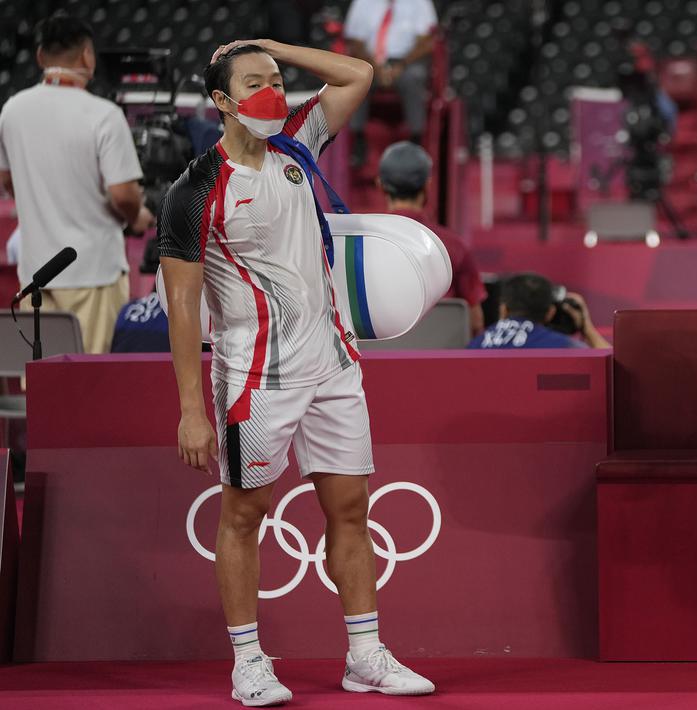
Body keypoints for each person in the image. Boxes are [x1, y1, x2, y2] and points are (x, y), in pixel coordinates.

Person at [158, 38, 434, 705]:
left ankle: (365, 657)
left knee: (351, 508)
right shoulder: (195, 190)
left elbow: (358, 74)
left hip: (333, 365)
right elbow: (183, 308)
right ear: (221, 101)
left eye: (278, 81)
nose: (273, 93)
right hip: (255, 379)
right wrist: (191, 408)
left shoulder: (296, 146)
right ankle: (249, 662)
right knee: (244, 514)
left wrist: (270, 47)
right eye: (254, 83)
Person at [0, 13, 153, 353]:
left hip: (37, 275)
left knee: (41, 377)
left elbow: (7, 180)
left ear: (40, 56)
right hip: (94, 272)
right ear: (87, 56)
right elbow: (124, 195)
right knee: (90, 380)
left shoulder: (11, 110)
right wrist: (138, 217)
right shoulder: (103, 114)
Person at [377, 140, 487, 336]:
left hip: (374, 354)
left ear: (380, 185)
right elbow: (475, 321)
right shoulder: (454, 245)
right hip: (441, 353)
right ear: (428, 185)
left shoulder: (360, 243)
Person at [343, 0, 437, 166]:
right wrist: (376, 67)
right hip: (371, 60)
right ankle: (357, 139)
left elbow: (426, 42)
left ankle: (416, 140)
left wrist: (401, 65)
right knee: (357, 77)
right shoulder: (362, 3)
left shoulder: (420, 3)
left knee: (414, 77)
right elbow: (355, 42)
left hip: (407, 61)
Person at [468, 273, 610, 350]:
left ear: (503, 309)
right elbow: (611, 367)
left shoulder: (475, 345)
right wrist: (587, 328)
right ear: (550, 313)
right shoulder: (566, 347)